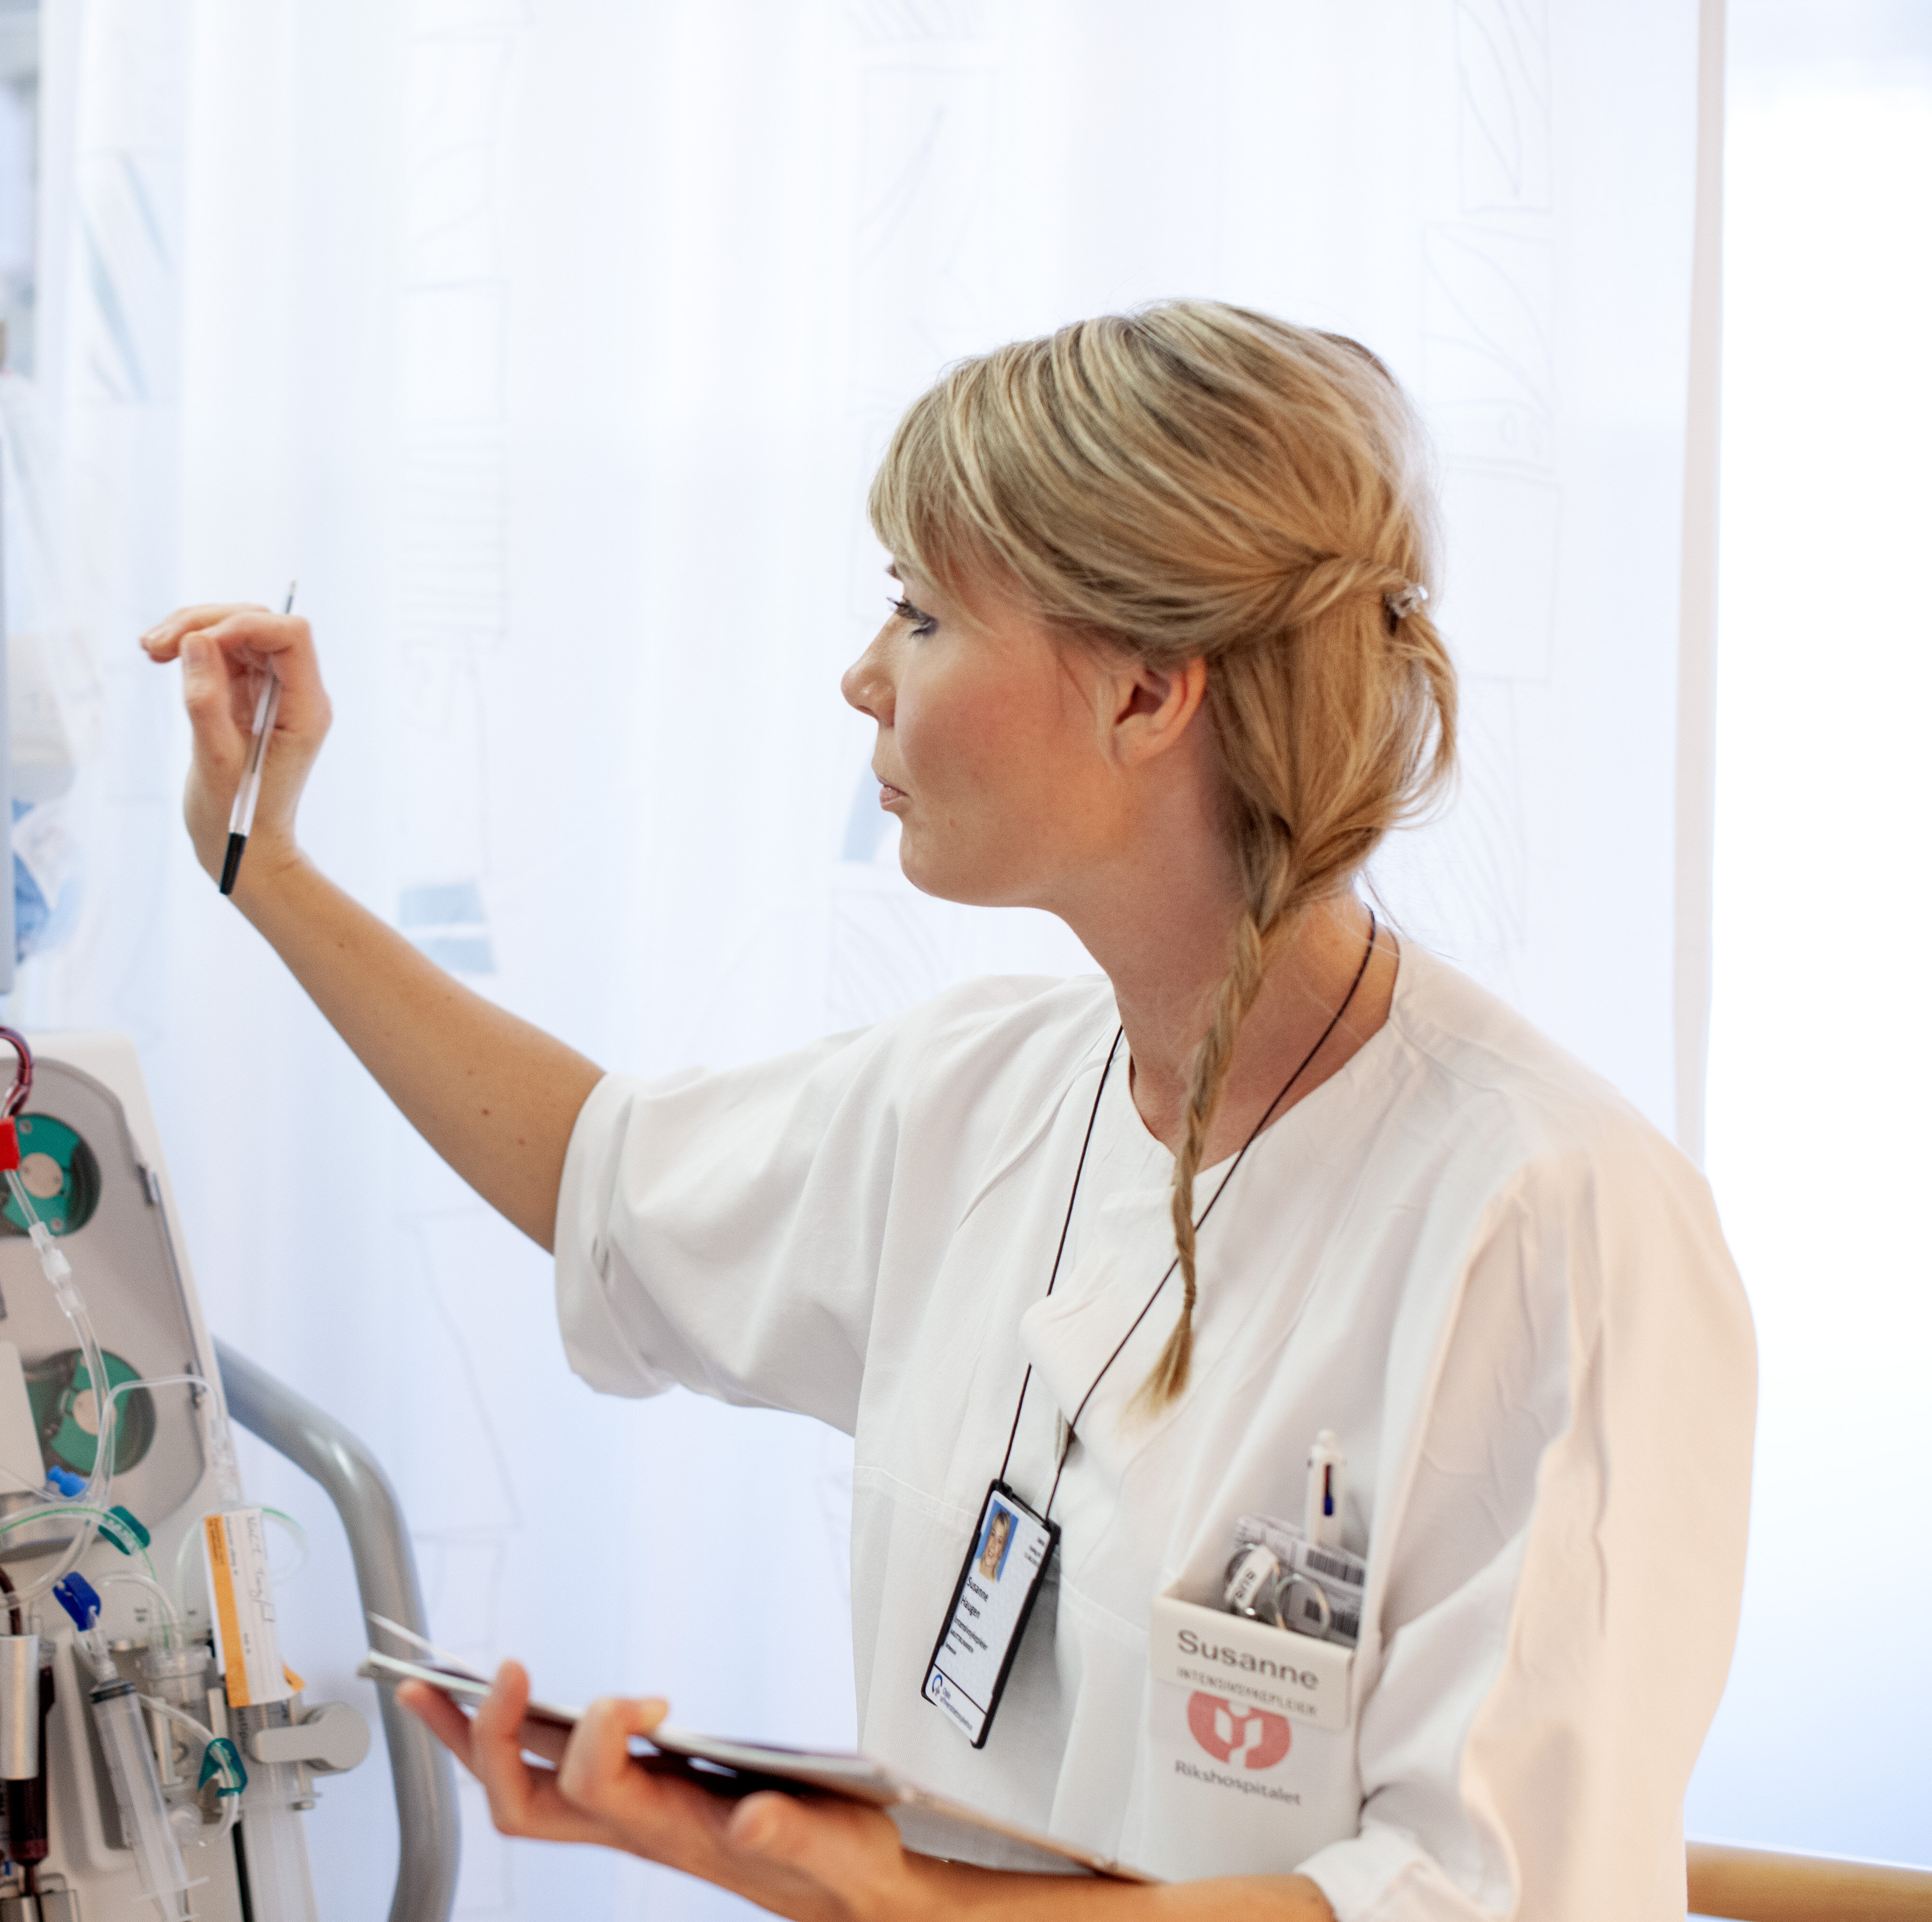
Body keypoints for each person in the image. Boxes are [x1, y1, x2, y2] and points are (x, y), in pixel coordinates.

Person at [139, 301, 1753, 1920]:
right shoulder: (981, 1097)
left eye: (919, 615)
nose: (862, 678)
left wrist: (902, 1902)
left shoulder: (1549, 1218)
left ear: (1144, 697)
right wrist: (263, 868)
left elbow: (1477, 1893)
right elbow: (600, 1182)